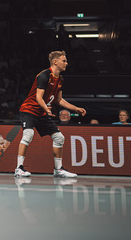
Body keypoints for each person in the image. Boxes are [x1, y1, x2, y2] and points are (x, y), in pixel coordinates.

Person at [13, 51, 87, 179]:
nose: (66, 63)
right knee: (28, 134)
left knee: (59, 138)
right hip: (29, 110)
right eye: (64, 61)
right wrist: (46, 109)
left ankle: (58, 170)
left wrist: (75, 108)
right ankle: (19, 169)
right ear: (55, 62)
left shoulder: (60, 79)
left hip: (42, 113)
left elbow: (59, 100)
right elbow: (38, 97)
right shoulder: (44, 76)